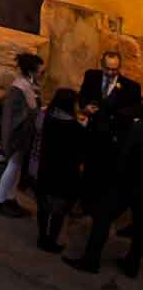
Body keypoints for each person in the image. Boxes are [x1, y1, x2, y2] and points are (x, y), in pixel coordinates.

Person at [68, 100, 143, 276]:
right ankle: (132, 265)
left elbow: (124, 156)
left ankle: (90, 261)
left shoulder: (138, 128)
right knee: (140, 227)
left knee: (103, 218)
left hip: (126, 183)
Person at [36, 88, 86, 253]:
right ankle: (51, 241)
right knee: (58, 211)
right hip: (64, 175)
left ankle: (42, 237)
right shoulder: (75, 128)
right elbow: (79, 154)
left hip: (46, 169)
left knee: (43, 207)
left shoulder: (48, 117)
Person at [0, 52, 44, 217]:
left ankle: (10, 198)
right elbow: (23, 113)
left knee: (16, 168)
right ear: (31, 72)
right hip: (18, 135)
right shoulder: (21, 88)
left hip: (21, 133)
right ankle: (0, 201)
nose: (42, 75)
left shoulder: (27, 85)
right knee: (13, 166)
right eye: (40, 72)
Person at [80, 50, 141, 118]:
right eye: (107, 68)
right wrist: (85, 107)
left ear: (120, 67)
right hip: (91, 124)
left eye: (114, 69)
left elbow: (135, 111)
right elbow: (82, 96)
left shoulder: (132, 87)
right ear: (102, 65)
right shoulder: (91, 76)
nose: (110, 73)